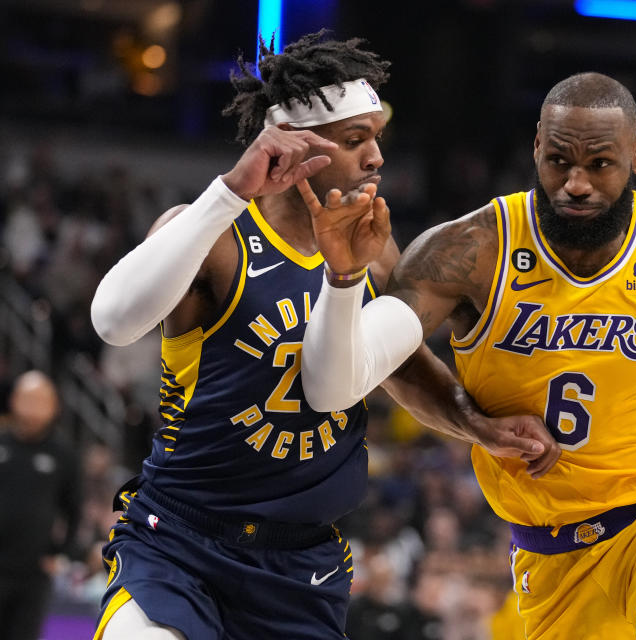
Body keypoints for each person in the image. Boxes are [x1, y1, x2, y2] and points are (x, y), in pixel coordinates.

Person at [298, 71, 636, 639]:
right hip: (549, 554)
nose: (576, 183)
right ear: (537, 147)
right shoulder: (472, 249)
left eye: (599, 164)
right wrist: (474, 423)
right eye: (560, 161)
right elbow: (381, 359)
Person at [88, 31, 555, 640]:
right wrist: (230, 189)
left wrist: (477, 425)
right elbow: (114, 319)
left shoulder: (375, 246)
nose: (376, 158)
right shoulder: (216, 236)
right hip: (182, 542)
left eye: (377, 138)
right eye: (356, 139)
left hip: (301, 563)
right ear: (294, 144)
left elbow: (399, 363)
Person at [0, 370, 81, 640]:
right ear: (14, 400)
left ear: (54, 405)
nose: (33, 407)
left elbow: (74, 509)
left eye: (40, 400)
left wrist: (61, 553)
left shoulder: (63, 453)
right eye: (27, 399)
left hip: (33, 570)